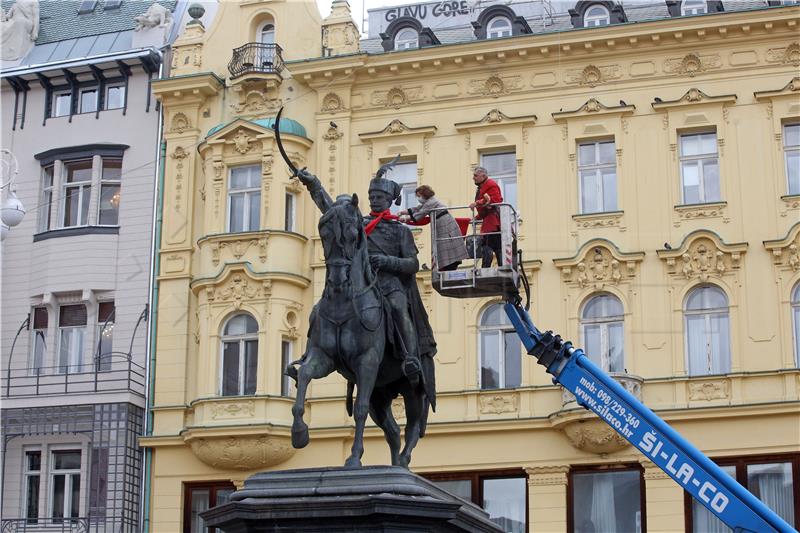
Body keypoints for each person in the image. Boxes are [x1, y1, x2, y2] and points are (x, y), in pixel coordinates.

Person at [295, 167, 436, 386]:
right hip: (359, 284)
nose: (375, 201)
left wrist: (388, 261)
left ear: (389, 200)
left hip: (389, 284)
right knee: (319, 310)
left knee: (399, 307)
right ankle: (310, 355)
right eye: (371, 197)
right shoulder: (359, 223)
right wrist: (312, 183)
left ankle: (410, 357)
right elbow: (330, 209)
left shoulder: (400, 230)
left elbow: (413, 263)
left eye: (379, 197)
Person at [399, 185, 468, 271]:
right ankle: (446, 266)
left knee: (448, 248)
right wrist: (402, 212)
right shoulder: (428, 202)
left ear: (424, 194)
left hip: (445, 225)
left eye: (419, 196)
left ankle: (449, 266)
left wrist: (405, 219)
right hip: (441, 224)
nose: (418, 198)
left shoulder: (431, 202)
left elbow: (420, 214)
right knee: (444, 249)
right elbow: (416, 209)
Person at [468, 166, 503, 268]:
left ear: (483, 176)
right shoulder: (481, 187)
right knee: (495, 246)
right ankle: (497, 266)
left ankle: (486, 268)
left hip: (493, 222)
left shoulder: (491, 184)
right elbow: (485, 208)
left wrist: (477, 202)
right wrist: (477, 217)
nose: (473, 178)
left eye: (475, 175)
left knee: (487, 245)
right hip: (490, 222)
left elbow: (495, 200)